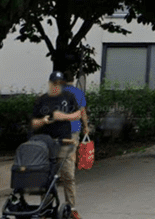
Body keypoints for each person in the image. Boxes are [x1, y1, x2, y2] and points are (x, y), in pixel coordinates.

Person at [31, 71, 81, 219]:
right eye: (55, 83)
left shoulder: (68, 97)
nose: (57, 86)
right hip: (45, 144)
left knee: (68, 175)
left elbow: (77, 114)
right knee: (46, 177)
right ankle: (46, 209)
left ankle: (71, 208)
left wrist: (63, 116)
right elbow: (34, 123)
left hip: (64, 142)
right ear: (50, 83)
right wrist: (43, 121)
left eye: (60, 84)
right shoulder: (41, 100)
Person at [63, 72, 89, 219]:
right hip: (72, 132)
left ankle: (46, 208)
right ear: (73, 79)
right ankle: (71, 207)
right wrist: (86, 126)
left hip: (56, 133)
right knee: (69, 167)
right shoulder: (77, 92)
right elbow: (82, 111)